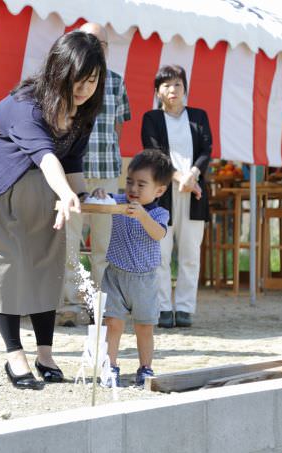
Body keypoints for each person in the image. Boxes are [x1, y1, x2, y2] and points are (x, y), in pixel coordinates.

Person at [0, 31, 106, 390]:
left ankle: (45, 354)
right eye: (78, 79)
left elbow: (71, 160)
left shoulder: (83, 112)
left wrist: (83, 194)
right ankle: (14, 355)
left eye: (93, 80)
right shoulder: (27, 105)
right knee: (7, 269)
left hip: (43, 196)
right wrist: (66, 192)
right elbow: (46, 156)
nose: (84, 89)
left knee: (44, 267)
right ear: (59, 71)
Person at [59, 22, 131, 327]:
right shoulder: (68, 82)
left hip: (105, 174)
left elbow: (119, 127)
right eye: (90, 40)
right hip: (72, 174)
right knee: (69, 243)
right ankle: (70, 305)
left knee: (104, 245)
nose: (96, 46)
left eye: (101, 42)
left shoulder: (116, 82)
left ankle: (98, 305)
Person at [95, 149, 174, 387]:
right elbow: (102, 202)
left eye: (142, 184)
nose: (133, 189)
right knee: (113, 323)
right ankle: (110, 367)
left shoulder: (159, 212)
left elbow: (159, 233)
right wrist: (99, 195)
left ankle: (146, 367)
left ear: (159, 190)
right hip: (115, 275)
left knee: (144, 326)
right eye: (130, 182)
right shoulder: (119, 203)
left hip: (145, 280)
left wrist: (142, 217)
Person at [141, 64, 211, 329]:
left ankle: (184, 308)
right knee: (160, 252)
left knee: (190, 253)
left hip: (194, 194)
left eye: (178, 84)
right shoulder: (152, 119)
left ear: (185, 88)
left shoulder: (198, 116)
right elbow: (153, 153)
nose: (173, 89)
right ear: (158, 91)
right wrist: (180, 178)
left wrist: (192, 175)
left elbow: (207, 149)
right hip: (163, 193)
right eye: (167, 85)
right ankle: (162, 308)